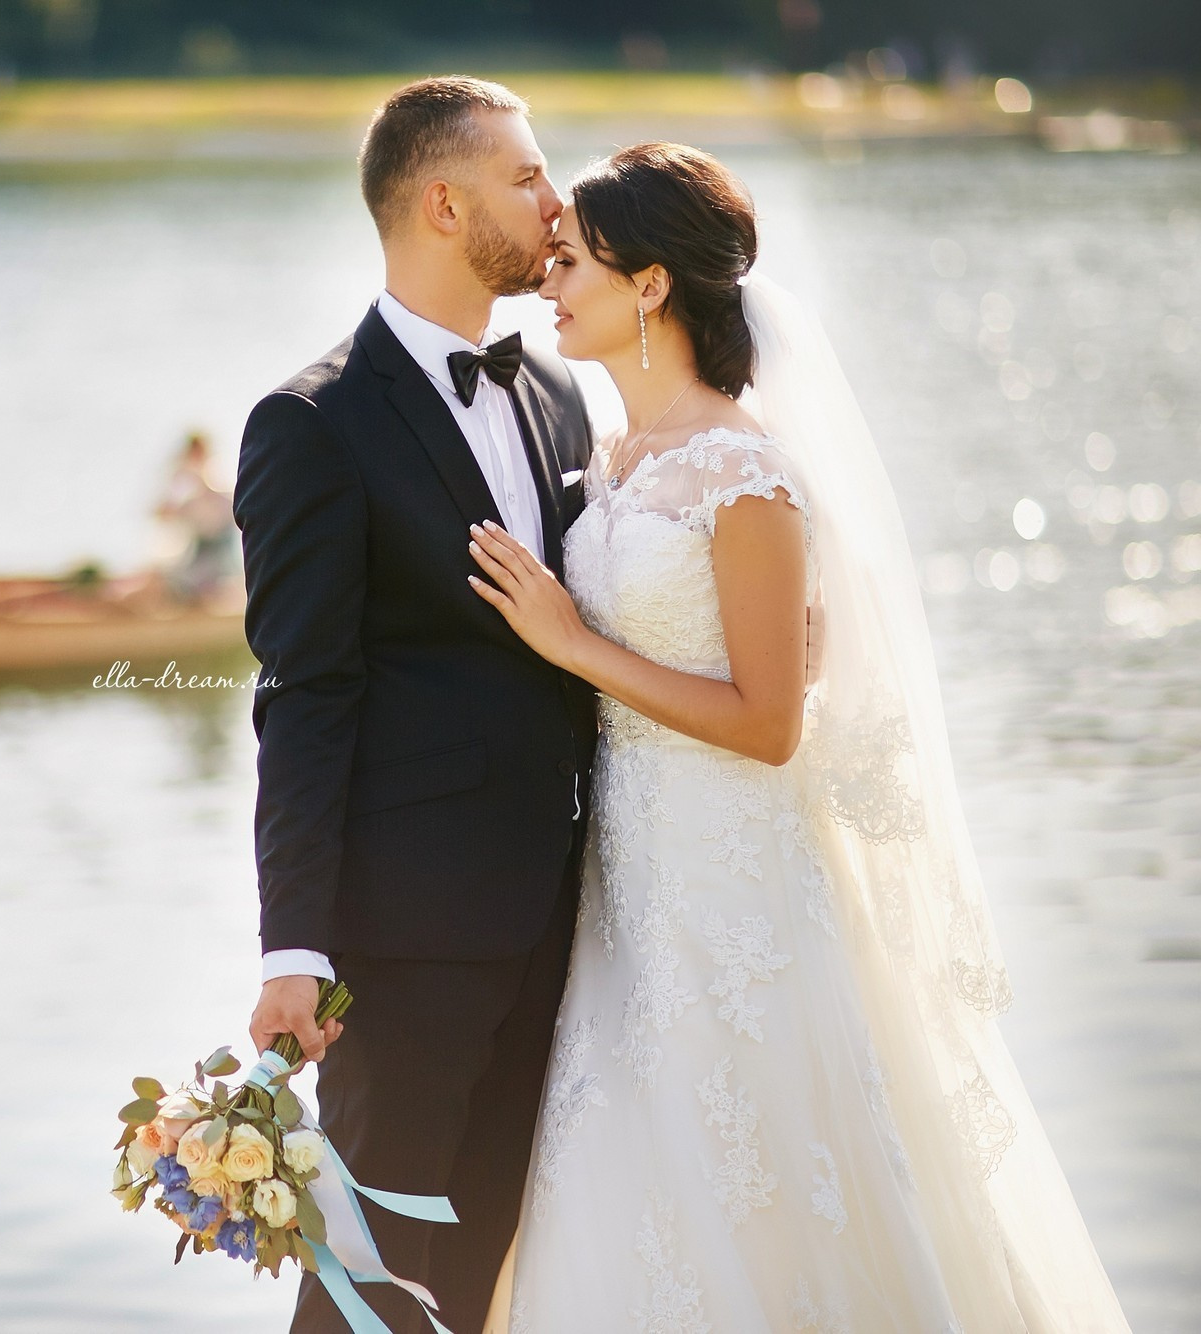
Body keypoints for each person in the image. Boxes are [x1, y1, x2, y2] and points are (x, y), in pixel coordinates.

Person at [467, 144, 1130, 1331]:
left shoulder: (743, 473)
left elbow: (769, 724)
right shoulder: (607, 459)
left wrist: (572, 644)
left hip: (738, 881)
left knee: (772, 1184)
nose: (546, 285)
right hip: (626, 884)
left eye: (571, 263)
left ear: (652, 283)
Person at [234, 77, 597, 1334]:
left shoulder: (553, 389)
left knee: (485, 1271)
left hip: (569, 919)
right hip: (404, 946)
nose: (555, 205)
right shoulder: (310, 423)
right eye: (527, 177)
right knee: (366, 1289)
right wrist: (293, 946)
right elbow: (304, 693)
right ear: (443, 202)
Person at [155, 431, 238, 603]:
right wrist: (174, 483)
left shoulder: (220, 488)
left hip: (218, 570)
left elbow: (222, 514)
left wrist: (197, 478)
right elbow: (162, 514)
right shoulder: (190, 499)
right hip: (193, 567)